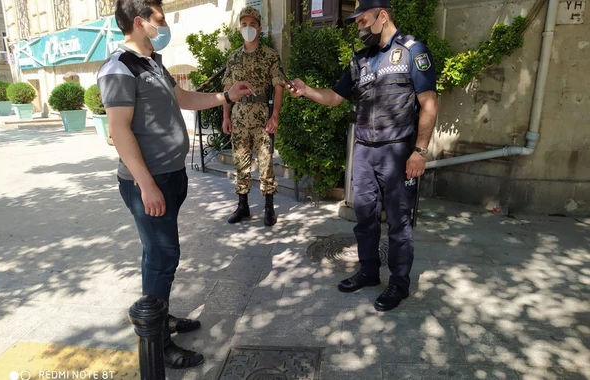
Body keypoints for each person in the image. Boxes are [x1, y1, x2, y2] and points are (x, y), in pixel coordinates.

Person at [97, 0, 253, 369]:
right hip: (149, 183)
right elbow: (118, 130)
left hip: (172, 176)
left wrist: (226, 96)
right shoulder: (118, 68)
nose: (164, 25)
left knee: (157, 255)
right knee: (164, 256)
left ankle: (160, 316)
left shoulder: (153, 62)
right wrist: (146, 185)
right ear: (140, 22)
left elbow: (183, 98)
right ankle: (157, 342)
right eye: (160, 19)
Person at [286, 0, 439, 312]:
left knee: (398, 222)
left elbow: (429, 102)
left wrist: (420, 151)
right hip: (365, 151)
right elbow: (334, 97)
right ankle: (369, 271)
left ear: (382, 15)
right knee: (365, 218)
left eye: (362, 21)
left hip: (398, 151)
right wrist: (306, 90)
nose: (359, 27)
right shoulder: (361, 60)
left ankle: (399, 282)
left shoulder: (413, 51)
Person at [221, 6, 285, 227]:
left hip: (261, 117)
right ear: (240, 27)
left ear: (259, 27)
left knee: (266, 162)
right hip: (238, 117)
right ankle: (243, 206)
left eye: (252, 24)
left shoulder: (270, 55)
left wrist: (274, 115)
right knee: (241, 162)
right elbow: (227, 91)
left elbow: (278, 87)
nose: (248, 28)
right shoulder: (233, 57)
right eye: (244, 24)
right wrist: (225, 117)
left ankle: (268, 207)